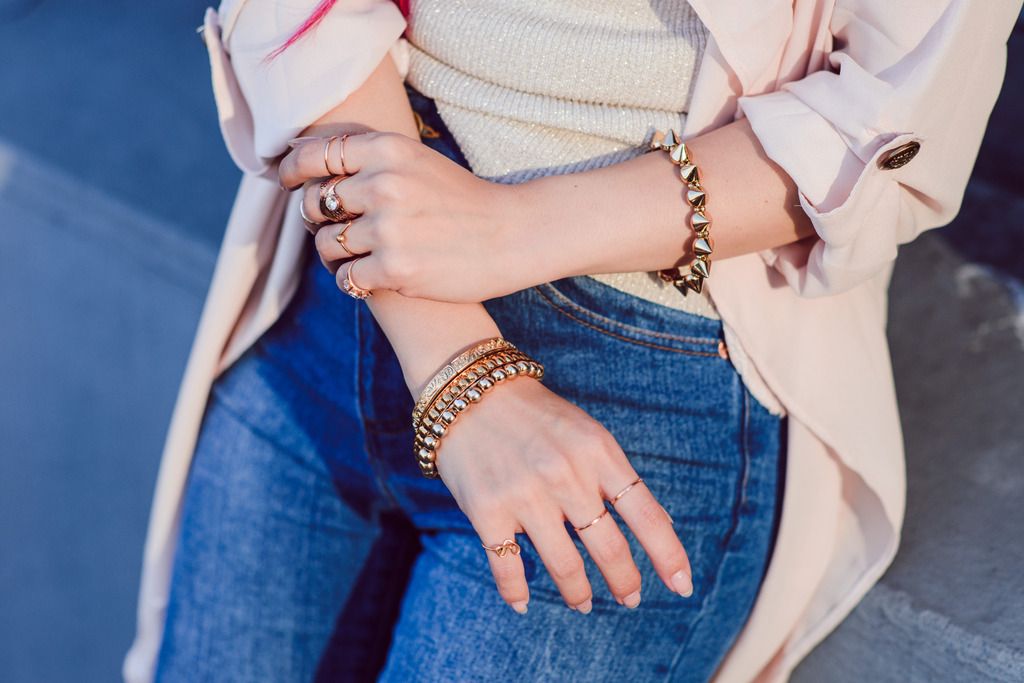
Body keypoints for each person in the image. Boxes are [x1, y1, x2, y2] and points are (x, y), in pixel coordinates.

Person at [124, 1, 1020, 681]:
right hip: (338, 310)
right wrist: (456, 361)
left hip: (635, 381)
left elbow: (893, 122)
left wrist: (509, 229)